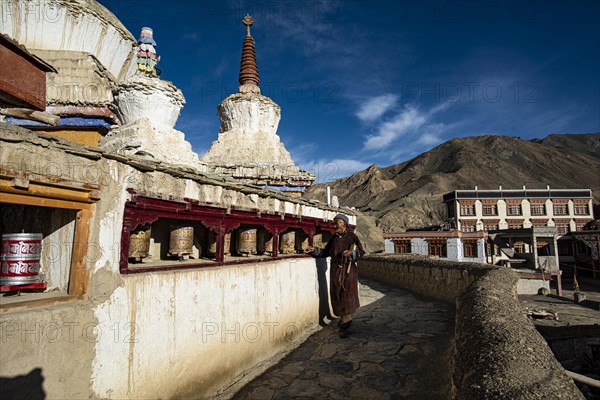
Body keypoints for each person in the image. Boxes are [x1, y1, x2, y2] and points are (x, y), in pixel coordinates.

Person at [305, 214, 365, 338]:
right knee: (337, 296)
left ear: (344, 223)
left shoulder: (352, 237)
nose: (335, 225)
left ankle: (344, 326)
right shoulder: (334, 238)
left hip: (349, 272)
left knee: (347, 297)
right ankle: (342, 321)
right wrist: (314, 250)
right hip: (335, 270)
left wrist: (351, 253)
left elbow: (361, 252)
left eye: (337, 222)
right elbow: (326, 252)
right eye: (335, 222)